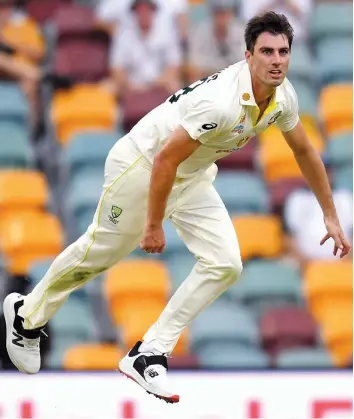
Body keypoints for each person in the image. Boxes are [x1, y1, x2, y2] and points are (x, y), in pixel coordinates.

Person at [3, 12, 351, 403]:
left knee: (226, 264)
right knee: (98, 255)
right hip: (142, 166)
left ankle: (148, 352)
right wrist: (153, 225)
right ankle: (26, 316)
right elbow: (165, 160)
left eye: (283, 52)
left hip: (192, 175)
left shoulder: (283, 95)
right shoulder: (220, 104)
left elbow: (303, 149)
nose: (276, 60)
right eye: (266, 52)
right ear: (247, 56)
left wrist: (330, 215)